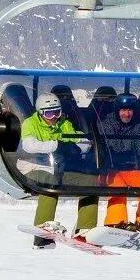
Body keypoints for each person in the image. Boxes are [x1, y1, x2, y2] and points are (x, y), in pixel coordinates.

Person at [20, 93, 96, 248]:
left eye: (57, 112)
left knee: (91, 183)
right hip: (33, 167)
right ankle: (42, 233)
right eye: (49, 113)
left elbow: (84, 142)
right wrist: (57, 145)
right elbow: (29, 145)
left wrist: (75, 147)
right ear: (40, 113)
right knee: (49, 183)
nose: (54, 116)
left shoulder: (64, 123)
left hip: (58, 168)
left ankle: (84, 230)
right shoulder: (30, 123)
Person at [97, 93, 140, 233]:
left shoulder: (136, 126)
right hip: (110, 170)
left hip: (130, 169)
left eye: (130, 110)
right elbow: (105, 145)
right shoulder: (106, 125)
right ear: (117, 111)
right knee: (117, 188)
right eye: (123, 110)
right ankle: (116, 222)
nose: (127, 114)